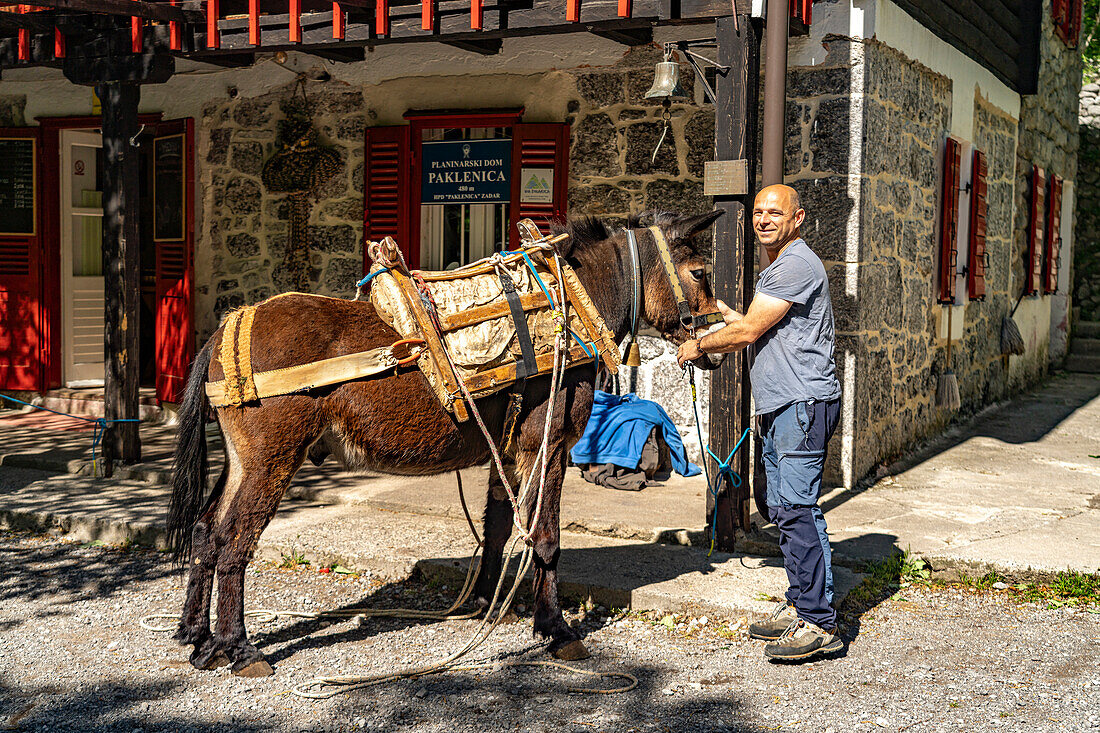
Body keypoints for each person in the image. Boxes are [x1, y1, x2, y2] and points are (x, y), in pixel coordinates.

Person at [677, 184, 843, 662]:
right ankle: (802, 605)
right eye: (758, 212)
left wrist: (699, 345)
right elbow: (757, 322)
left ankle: (819, 622)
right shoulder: (782, 265)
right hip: (784, 404)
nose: (764, 219)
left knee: (795, 507)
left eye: (775, 212)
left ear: (798, 218)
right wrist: (728, 315)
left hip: (801, 404)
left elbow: (749, 332)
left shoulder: (793, 264)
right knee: (781, 505)